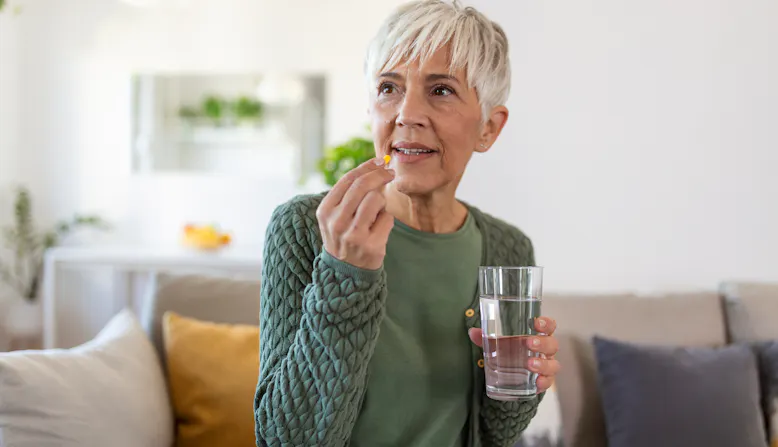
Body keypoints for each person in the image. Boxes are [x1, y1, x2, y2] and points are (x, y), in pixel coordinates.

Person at [254, 1, 560, 446]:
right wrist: (345, 273)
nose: (406, 114)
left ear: (488, 129)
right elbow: (285, 441)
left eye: (440, 90)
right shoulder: (305, 228)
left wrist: (526, 384)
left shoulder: (508, 248)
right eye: (388, 88)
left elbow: (494, 434)